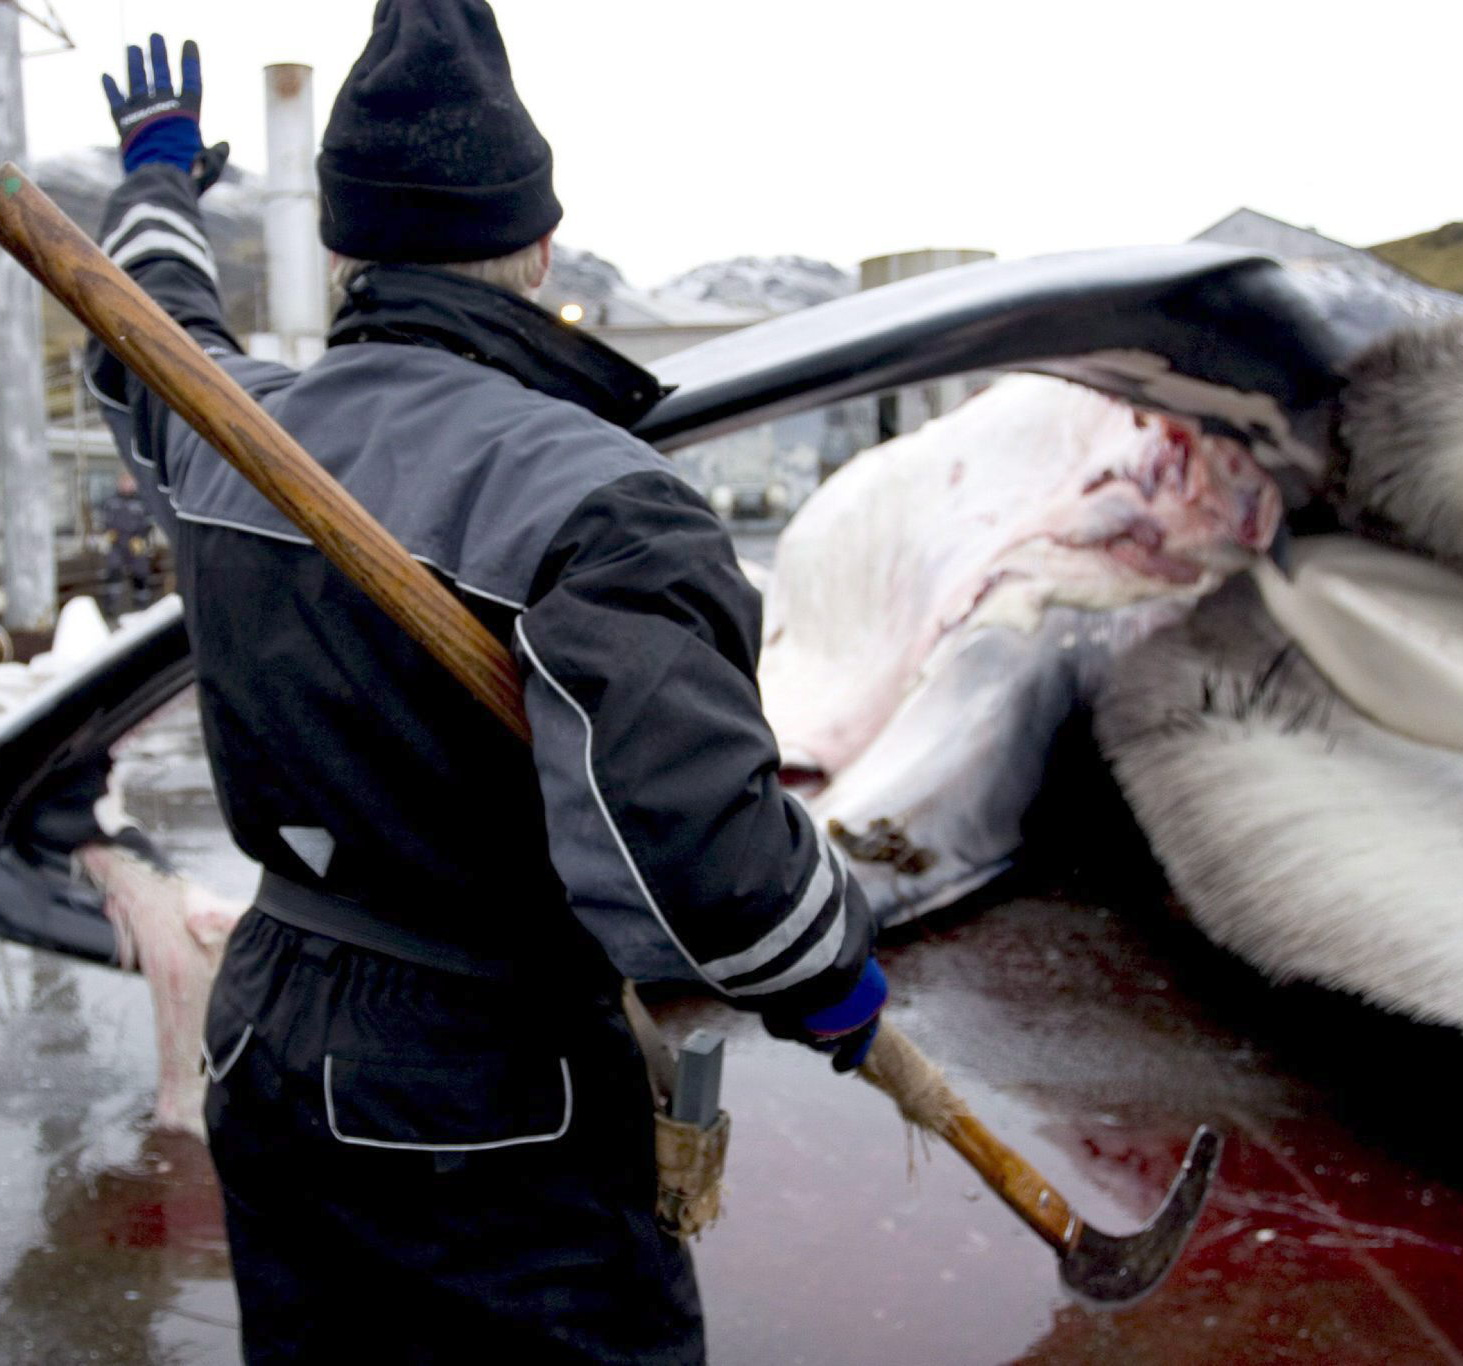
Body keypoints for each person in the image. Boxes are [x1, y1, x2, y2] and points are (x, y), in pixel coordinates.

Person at [87, 5, 886, 1360]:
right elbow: (696, 854)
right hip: (480, 1069)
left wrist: (157, 178)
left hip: (270, 1021)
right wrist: (828, 968)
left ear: (346, 247)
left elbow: (143, 337)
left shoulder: (238, 432)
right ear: (538, 246)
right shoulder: (604, 501)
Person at [95, 469, 157, 613]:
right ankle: (111, 608)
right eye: (124, 482)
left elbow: (149, 523)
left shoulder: (142, 502)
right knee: (113, 570)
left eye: (130, 482)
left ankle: (142, 606)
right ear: (119, 483)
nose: (127, 485)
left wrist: (141, 537)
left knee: (140, 572)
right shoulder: (110, 501)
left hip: (135, 542)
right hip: (116, 542)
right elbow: (102, 520)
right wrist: (107, 533)